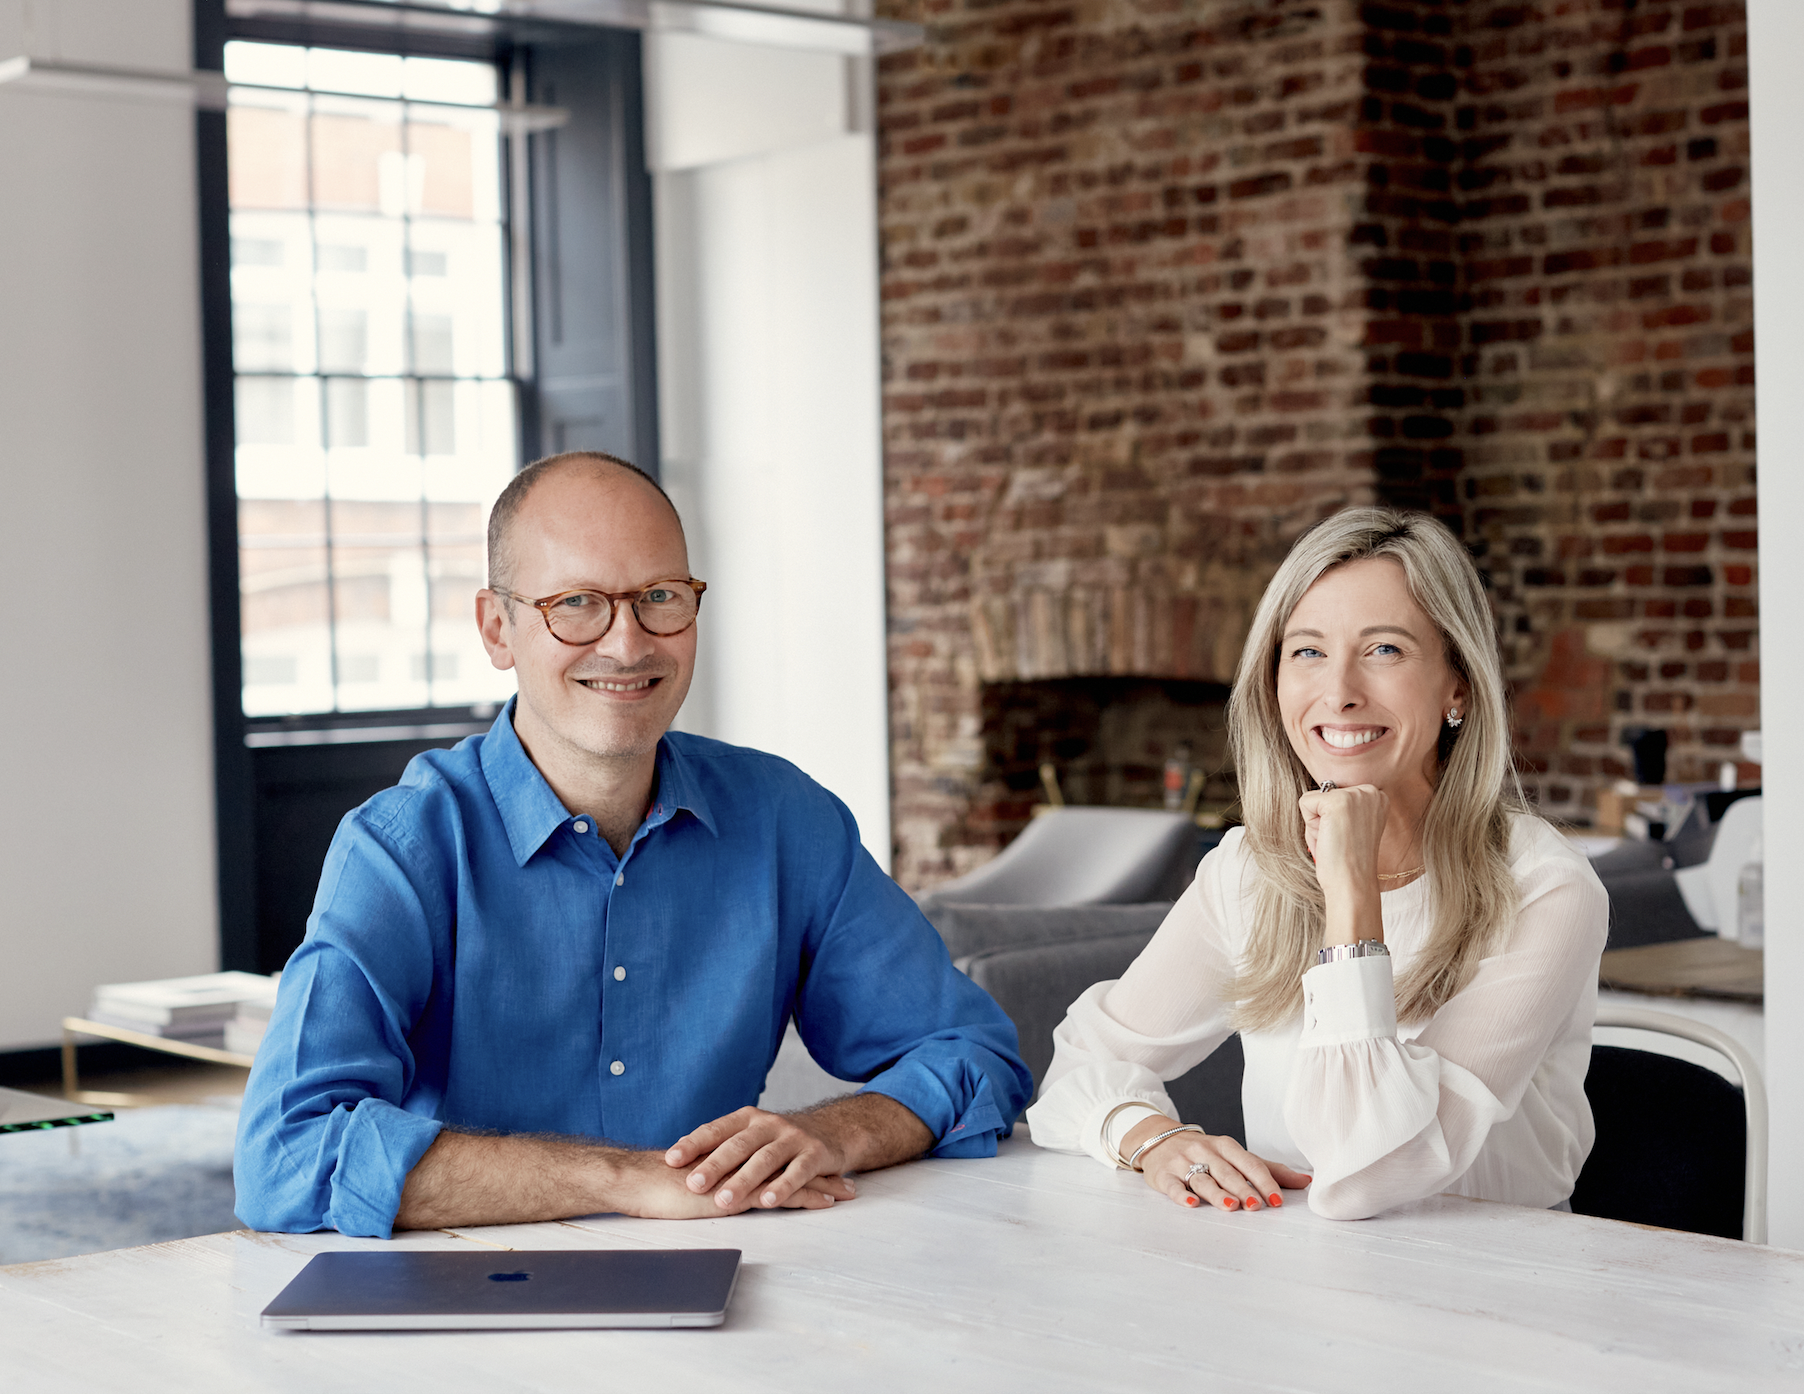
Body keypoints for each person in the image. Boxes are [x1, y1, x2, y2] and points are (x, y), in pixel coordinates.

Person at [235, 451, 1031, 1238]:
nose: (627, 643)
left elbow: (972, 1053)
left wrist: (833, 1134)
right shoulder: (399, 849)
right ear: (496, 627)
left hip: (732, 1276)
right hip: (467, 1308)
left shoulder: (785, 818)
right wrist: (626, 1180)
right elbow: (288, 1155)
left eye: (659, 596)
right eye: (577, 602)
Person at [1026, 507, 1608, 1220]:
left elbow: (1370, 1175)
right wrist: (1149, 1137)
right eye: (1306, 652)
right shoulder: (1249, 868)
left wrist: (1350, 894)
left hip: (1502, 1286)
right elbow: (1078, 1065)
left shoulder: (1546, 887)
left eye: (1385, 650)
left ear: (1458, 684)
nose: (1339, 692)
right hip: (1298, 1273)